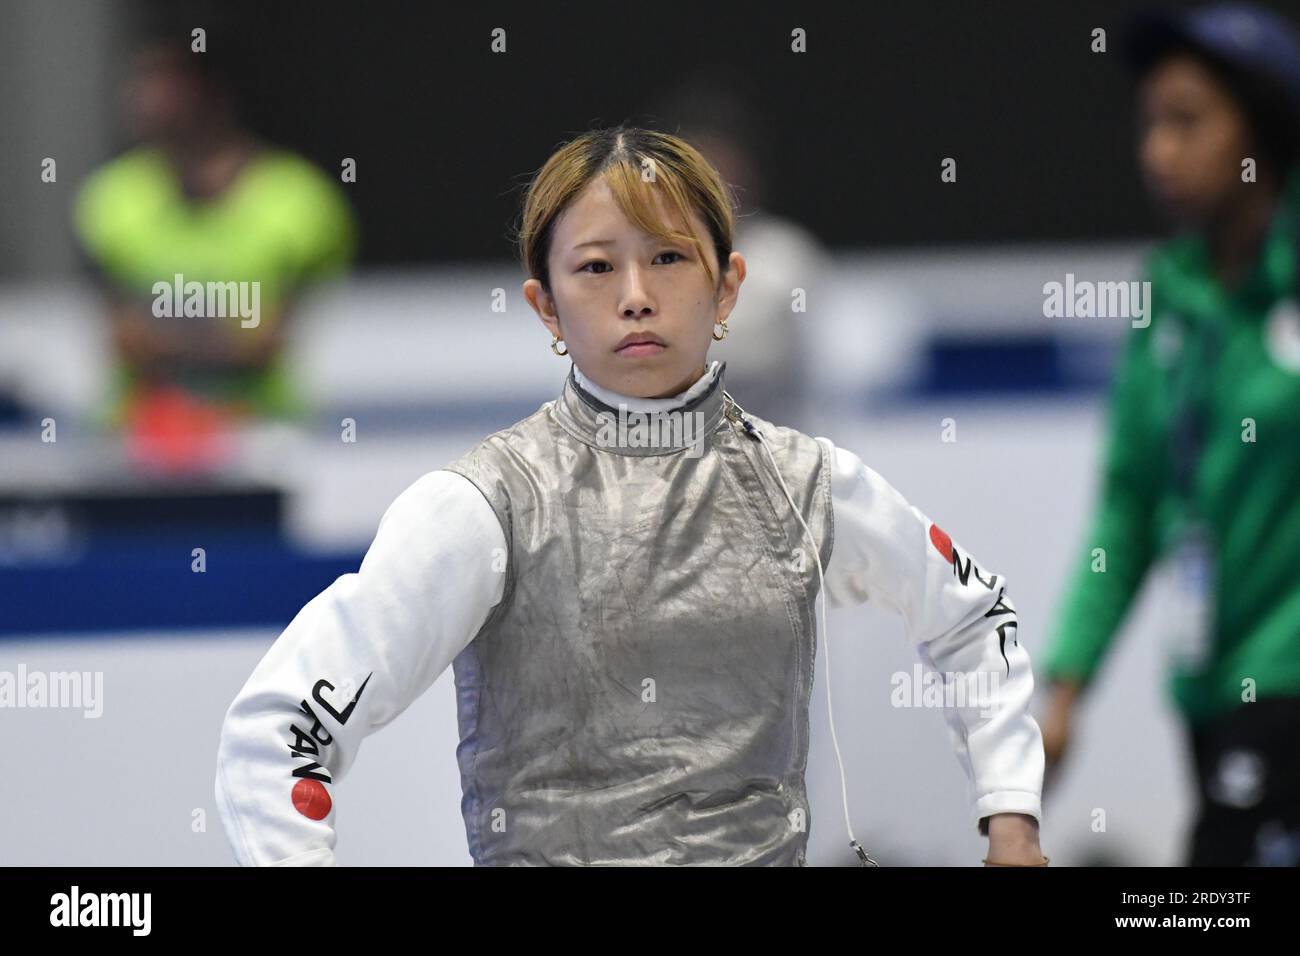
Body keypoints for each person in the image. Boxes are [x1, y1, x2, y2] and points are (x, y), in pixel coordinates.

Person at [215, 126, 1046, 867]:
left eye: (670, 257)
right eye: (597, 267)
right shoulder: (486, 504)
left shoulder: (805, 484)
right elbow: (277, 730)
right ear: (545, 304)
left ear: (727, 288)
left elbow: (974, 620)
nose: (637, 294)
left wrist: (1010, 819)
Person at [1040, 4, 1300, 866]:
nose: (1158, 151)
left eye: (1187, 121)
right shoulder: (1167, 299)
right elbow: (1130, 504)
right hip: (1209, 687)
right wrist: (1065, 692)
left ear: (1261, 131)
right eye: (1151, 124)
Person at [72, 33, 357, 457]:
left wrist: (167, 341)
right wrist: (223, 337)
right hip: (135, 442)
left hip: (261, 439)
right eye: (142, 83)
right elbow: (128, 343)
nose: (145, 100)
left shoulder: (301, 204)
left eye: (166, 83)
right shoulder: (109, 201)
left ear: (214, 93)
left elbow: (264, 346)